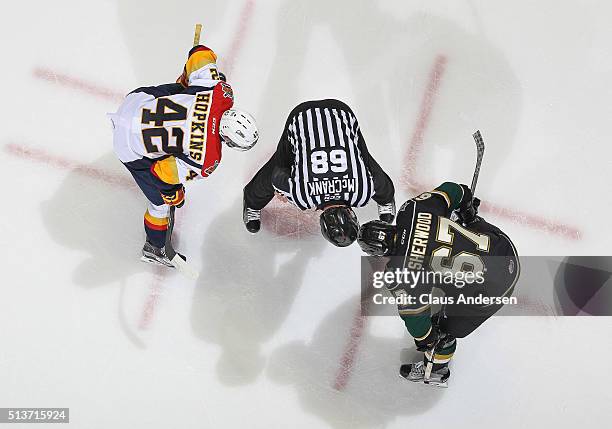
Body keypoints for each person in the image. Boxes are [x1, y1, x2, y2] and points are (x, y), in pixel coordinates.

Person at [357, 182, 520, 387]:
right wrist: (466, 206)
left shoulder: (400, 273)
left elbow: (418, 323)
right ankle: (468, 219)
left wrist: (428, 340)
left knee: (443, 333)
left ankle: (438, 370)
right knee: (464, 224)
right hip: (504, 246)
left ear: (378, 252)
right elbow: (453, 190)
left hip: (499, 289)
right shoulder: (412, 209)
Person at [110, 45, 259, 266]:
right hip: (128, 145)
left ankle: (187, 83)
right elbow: (162, 174)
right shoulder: (208, 158)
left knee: (186, 88)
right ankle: (154, 248)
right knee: (160, 205)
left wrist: (191, 73)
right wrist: (174, 193)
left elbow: (200, 53)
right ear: (228, 140)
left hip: (135, 102)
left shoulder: (221, 92)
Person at [243, 99, 395, 247]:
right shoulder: (303, 198)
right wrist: (282, 190)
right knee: (278, 165)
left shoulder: (361, 193)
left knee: (363, 160)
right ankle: (252, 203)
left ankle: (386, 200)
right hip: (300, 118)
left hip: (340, 112)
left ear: (351, 214)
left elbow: (379, 181)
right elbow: (276, 176)